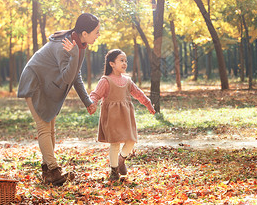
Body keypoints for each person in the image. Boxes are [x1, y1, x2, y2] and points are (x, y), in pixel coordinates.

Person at [17, 13, 100, 186]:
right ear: (84, 33)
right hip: (35, 83)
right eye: (96, 31)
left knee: (50, 128)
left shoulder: (79, 45)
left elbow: (75, 74)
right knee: (44, 128)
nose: (98, 35)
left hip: (47, 84)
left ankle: (48, 172)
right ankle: (54, 171)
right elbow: (66, 78)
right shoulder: (67, 46)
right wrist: (74, 55)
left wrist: (87, 101)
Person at [88, 49, 156, 181]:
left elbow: (138, 93)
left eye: (126, 61)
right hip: (111, 117)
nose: (125, 63)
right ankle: (114, 170)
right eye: (121, 60)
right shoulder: (105, 80)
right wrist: (92, 103)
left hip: (126, 116)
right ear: (112, 63)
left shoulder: (127, 80)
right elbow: (95, 94)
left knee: (131, 140)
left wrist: (148, 104)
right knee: (114, 143)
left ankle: (121, 159)